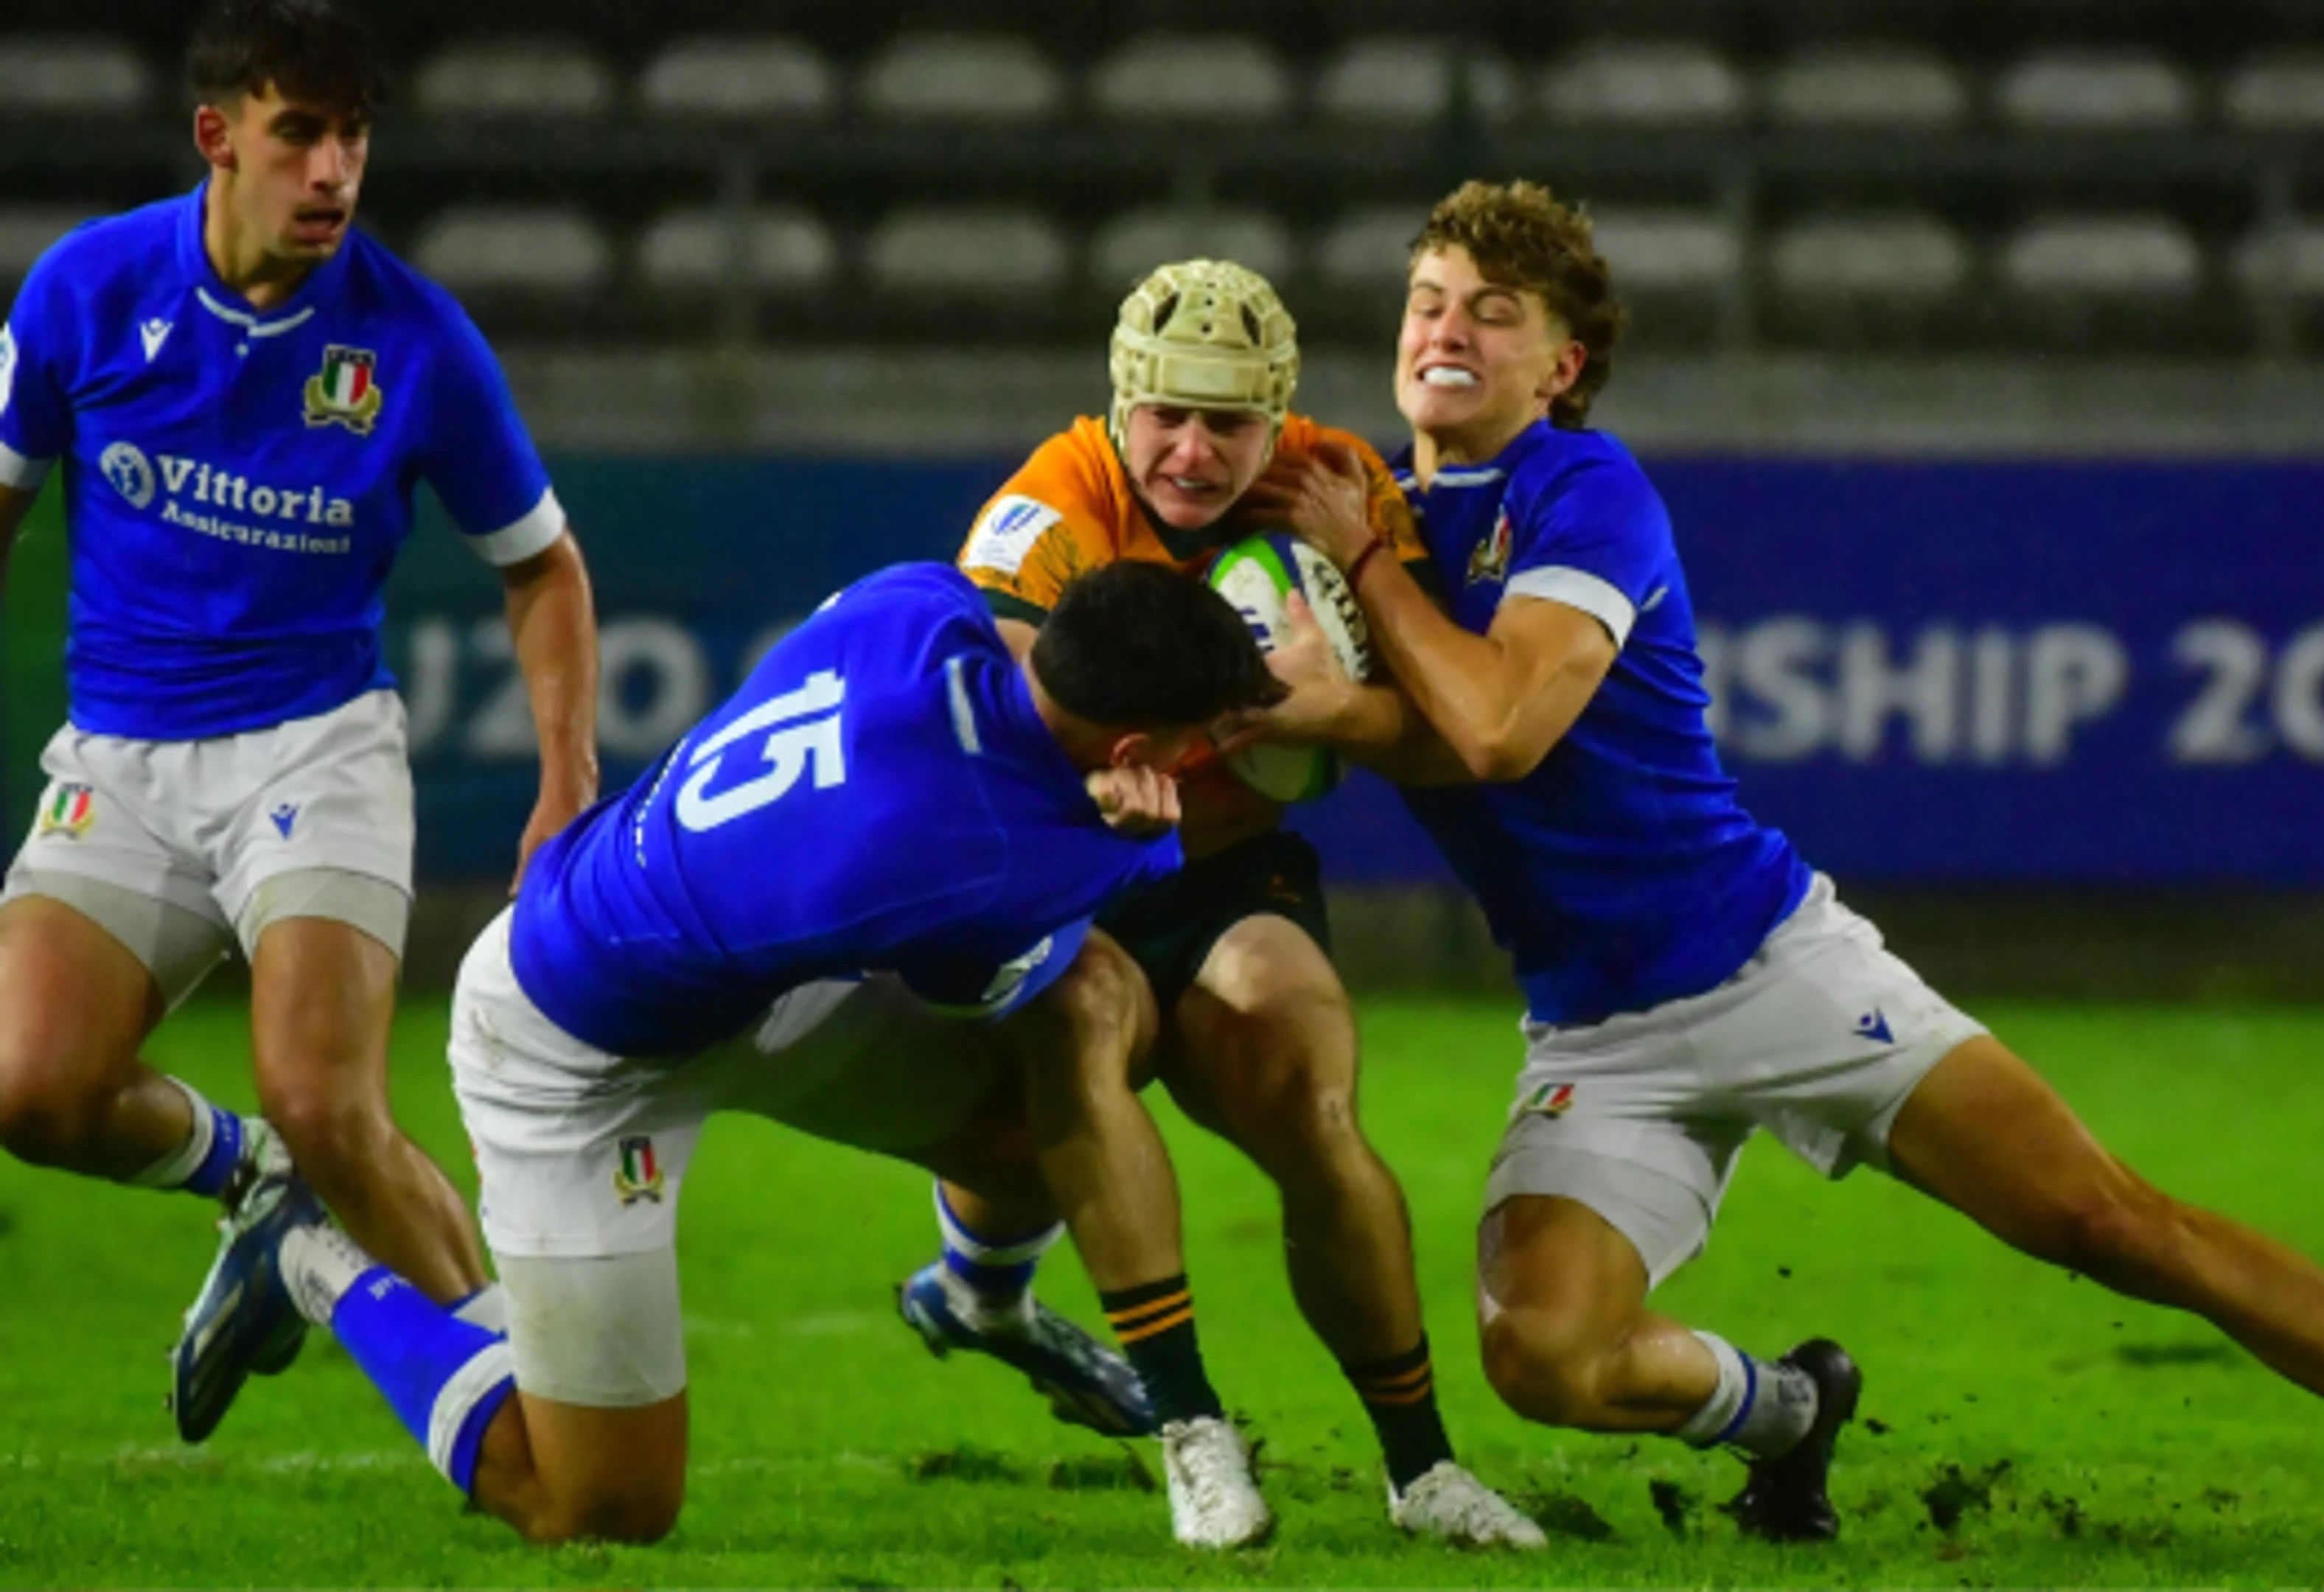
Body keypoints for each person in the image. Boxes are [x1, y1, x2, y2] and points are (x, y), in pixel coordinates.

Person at [1238, 178, 2324, 1557]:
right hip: (1596, 1030)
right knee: (1542, 1358)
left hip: (1771, 965)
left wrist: (1358, 584)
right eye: (1429, 298)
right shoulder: (1372, 516)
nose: (1446, 327)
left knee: (2114, 1223)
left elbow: (1496, 731)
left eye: (1494, 309)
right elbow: (1407, 721)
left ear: (1562, 364)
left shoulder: (1579, 492)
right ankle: (1791, 1410)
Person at [185, 559, 1293, 1549]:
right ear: (1137, 751)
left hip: (760, 987)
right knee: (600, 1510)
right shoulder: (959, 854)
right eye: (1193, 748)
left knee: (1046, 1124)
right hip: (572, 1053)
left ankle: (979, 1298)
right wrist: (1126, 838)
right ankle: (311, 1259)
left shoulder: (917, 601)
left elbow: (995, 697)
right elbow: (984, 977)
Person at [0, 0, 599, 1442]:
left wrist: (564, 780)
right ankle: (263, 1198)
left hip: (313, 749)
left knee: (331, 1097)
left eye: (353, 137)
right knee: (28, 1087)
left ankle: (544, 1415)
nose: (333, 171)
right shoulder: (84, 290)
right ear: (219, 137)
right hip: (123, 759)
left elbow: (544, 568)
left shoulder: (416, 343)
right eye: (299, 136)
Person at [906, 258, 1541, 1548]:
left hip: (1228, 865)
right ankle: (1191, 1431)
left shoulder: (1338, 489)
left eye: (1229, 422)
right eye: (1168, 418)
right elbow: (1017, 708)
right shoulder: (1054, 501)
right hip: (1076, 864)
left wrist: (1327, 707)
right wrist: (1100, 776)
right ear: (1119, 400)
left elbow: (1438, 726)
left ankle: (1421, 1471)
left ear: (1281, 413)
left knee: (1307, 1079)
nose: (1195, 453)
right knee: (1069, 1055)